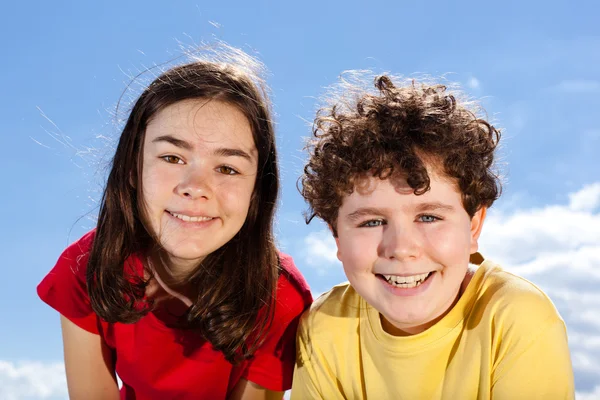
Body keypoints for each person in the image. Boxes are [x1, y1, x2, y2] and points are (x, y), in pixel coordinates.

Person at [37, 45, 312, 399]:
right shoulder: (87, 266)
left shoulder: (278, 296)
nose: (195, 188)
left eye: (227, 168)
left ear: (257, 191)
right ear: (132, 168)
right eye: (172, 157)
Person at [292, 73, 574, 399]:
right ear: (337, 237)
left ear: (473, 227)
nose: (401, 248)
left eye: (428, 217)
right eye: (371, 222)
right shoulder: (324, 326)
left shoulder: (515, 319)